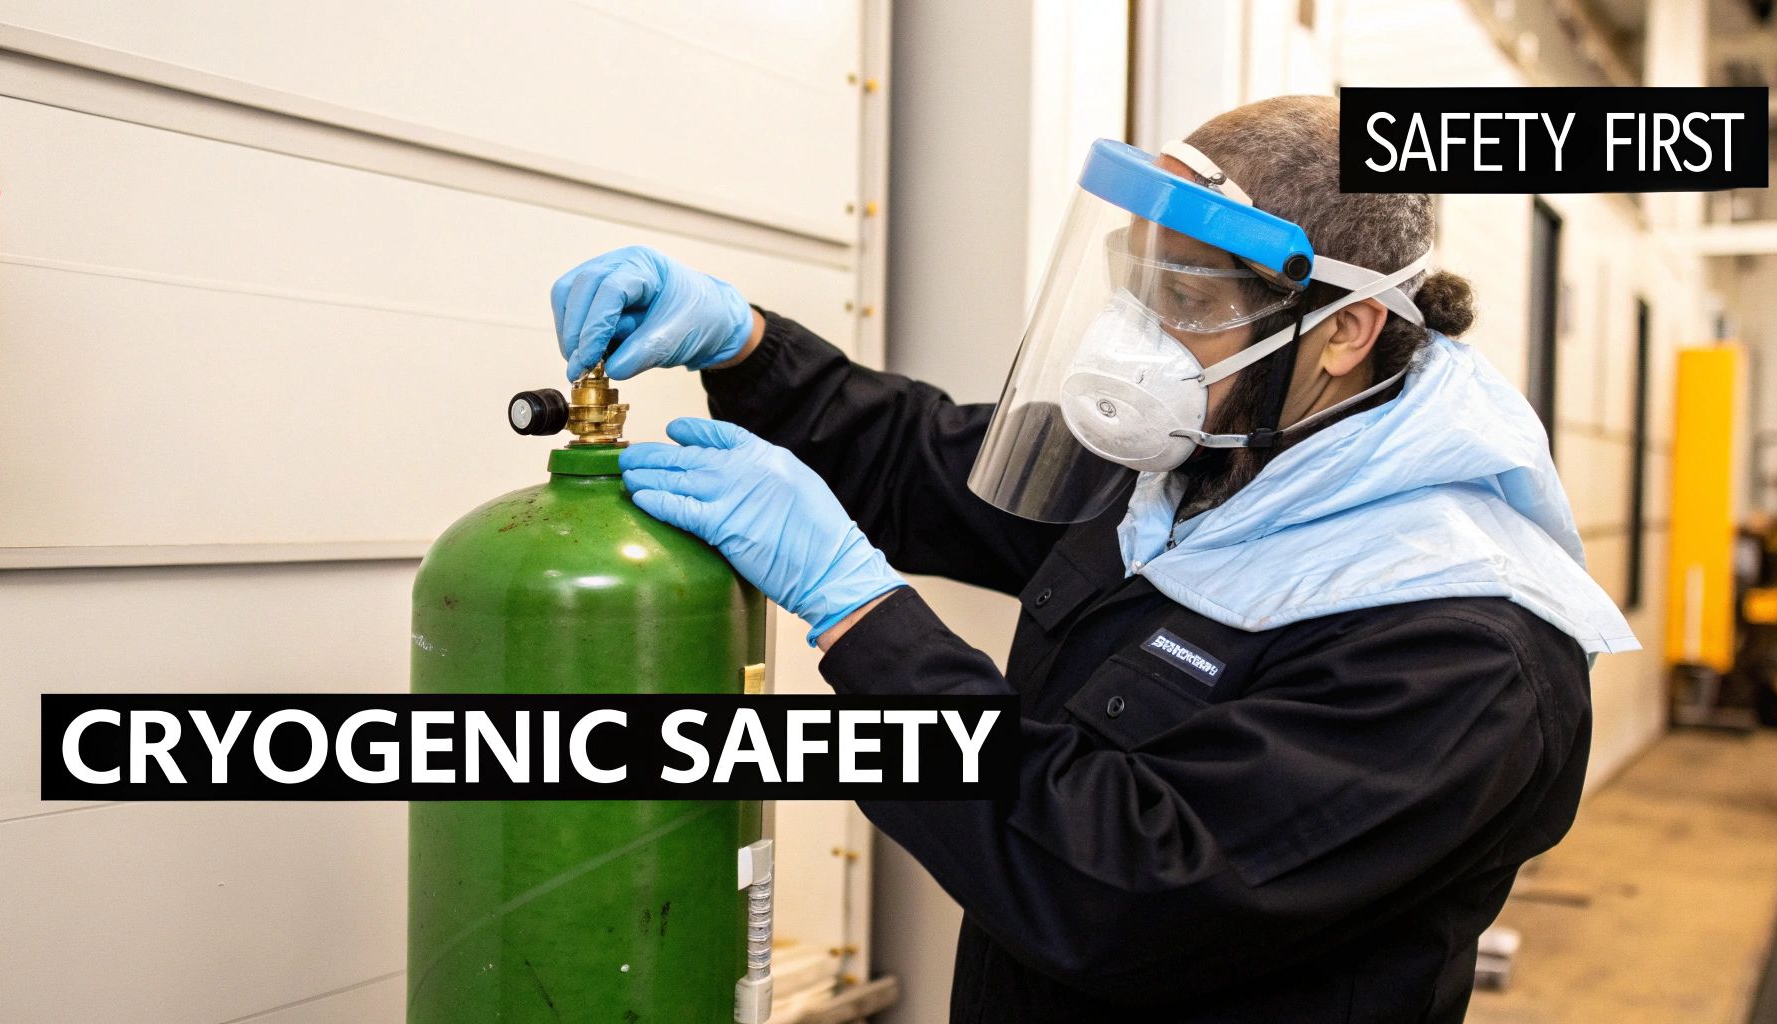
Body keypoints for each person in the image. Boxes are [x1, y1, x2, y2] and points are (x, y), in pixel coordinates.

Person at [548, 95, 1636, 1024]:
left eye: (1191, 303)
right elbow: (927, 466)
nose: (1138, 340)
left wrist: (861, 616)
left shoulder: (1460, 647)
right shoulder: (1215, 449)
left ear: (1342, 330)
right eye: (1138, 285)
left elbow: (1122, 883)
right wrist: (742, 341)